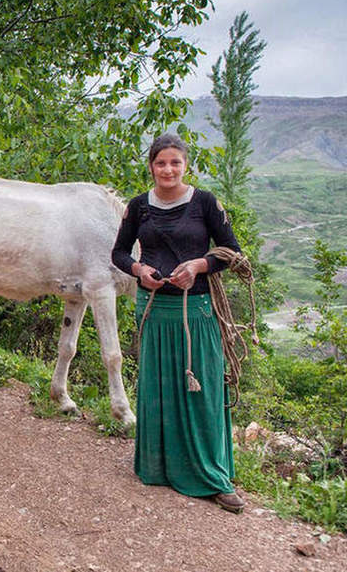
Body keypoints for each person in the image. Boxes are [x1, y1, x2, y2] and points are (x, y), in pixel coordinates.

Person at [111, 134, 246, 514]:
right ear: (151, 167)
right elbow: (119, 252)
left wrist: (199, 265)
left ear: (185, 165)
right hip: (154, 310)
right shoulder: (138, 207)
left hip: (197, 311)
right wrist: (139, 270)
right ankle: (159, 468)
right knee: (158, 390)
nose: (168, 170)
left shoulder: (205, 203)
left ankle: (214, 477)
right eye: (161, 163)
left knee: (201, 393)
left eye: (175, 163)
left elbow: (232, 251)